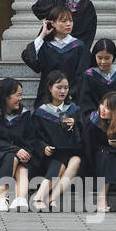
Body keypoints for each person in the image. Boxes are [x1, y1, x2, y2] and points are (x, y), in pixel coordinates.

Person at [0, 77, 38, 212]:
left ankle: (20, 198)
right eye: (17, 95)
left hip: (20, 154)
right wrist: (15, 150)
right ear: (5, 96)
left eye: (21, 95)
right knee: (12, 157)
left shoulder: (24, 114)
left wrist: (24, 152)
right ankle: (2, 197)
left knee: (21, 163)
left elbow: (30, 139)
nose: (21, 99)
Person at [31, 71, 84, 211]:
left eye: (66, 88)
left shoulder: (74, 110)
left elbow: (84, 135)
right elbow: (34, 137)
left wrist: (76, 123)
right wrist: (43, 147)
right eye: (59, 87)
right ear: (50, 88)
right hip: (51, 156)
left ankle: (52, 198)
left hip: (70, 152)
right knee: (59, 165)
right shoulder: (41, 112)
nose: (63, 91)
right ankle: (38, 197)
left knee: (76, 160)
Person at [21, 7, 88, 106]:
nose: (69, 24)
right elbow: (29, 58)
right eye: (64, 21)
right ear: (53, 23)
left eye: (70, 20)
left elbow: (82, 75)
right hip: (47, 97)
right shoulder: (46, 45)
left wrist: (68, 93)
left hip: (70, 98)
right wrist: (42, 35)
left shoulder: (78, 46)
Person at [31, 0, 96, 56]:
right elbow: (37, 11)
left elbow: (89, 33)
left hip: (75, 51)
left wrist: (79, 50)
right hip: (51, 49)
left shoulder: (87, 5)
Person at [77, 38, 116, 122]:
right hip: (97, 120)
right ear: (95, 56)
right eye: (100, 58)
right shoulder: (89, 76)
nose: (103, 61)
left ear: (114, 56)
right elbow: (85, 103)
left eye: (107, 58)